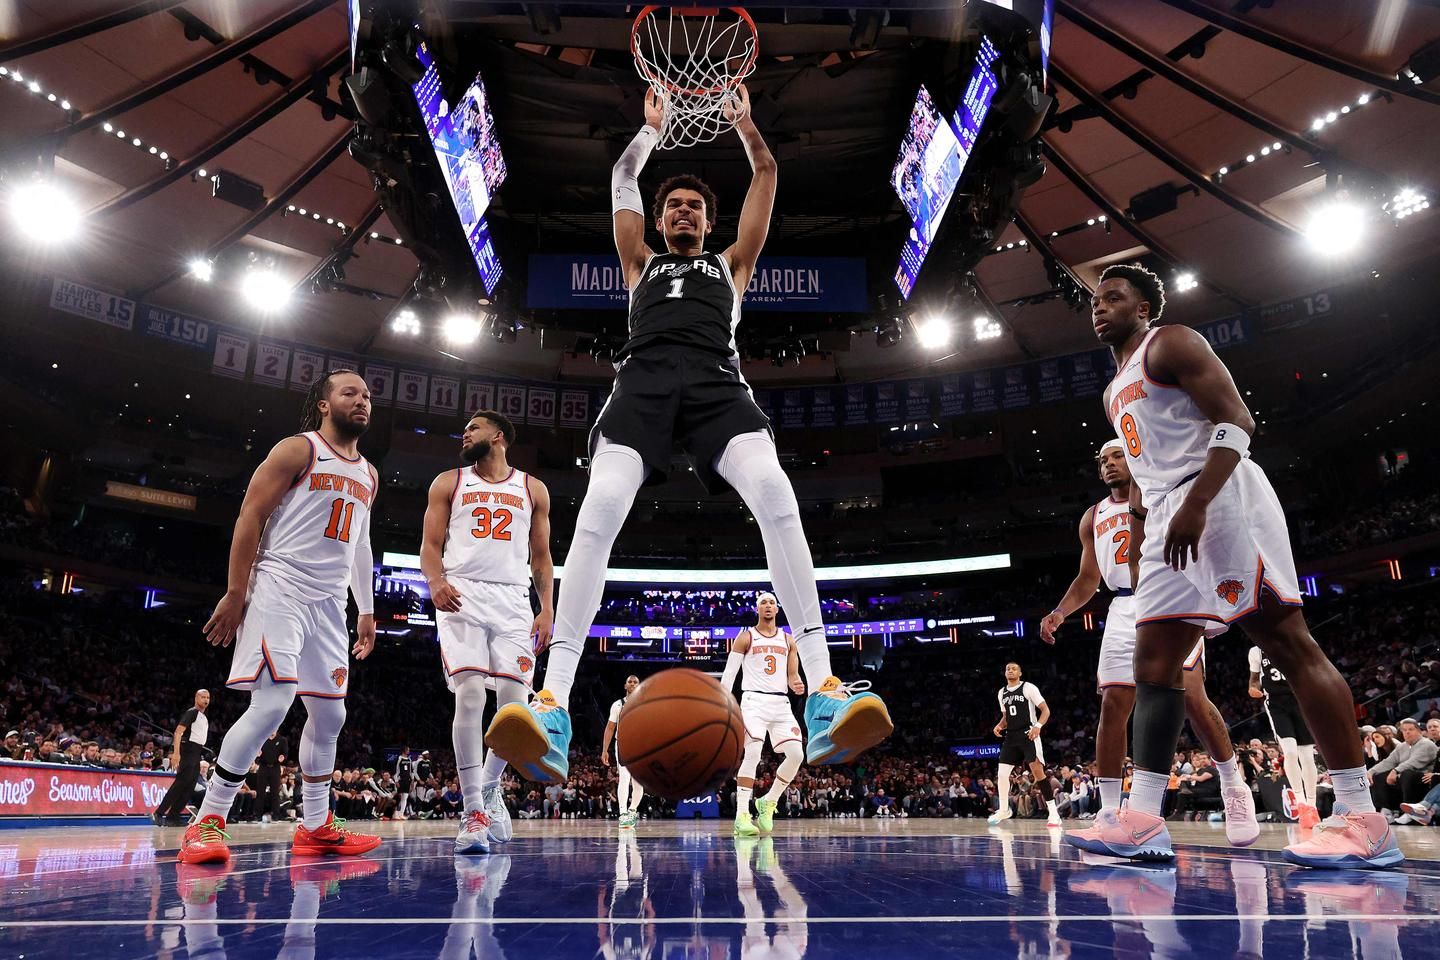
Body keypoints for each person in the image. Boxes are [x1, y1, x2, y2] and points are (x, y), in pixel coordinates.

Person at [485, 86, 891, 780]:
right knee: (602, 508)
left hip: (715, 382)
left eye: (694, 207)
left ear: (708, 223)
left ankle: (823, 691)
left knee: (774, 491)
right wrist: (649, 133)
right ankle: (552, 704)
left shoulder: (732, 266)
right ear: (661, 216)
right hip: (641, 382)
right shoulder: (638, 262)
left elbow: (766, 175)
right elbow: (620, 180)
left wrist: (744, 124)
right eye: (673, 204)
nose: (682, 211)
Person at [1082, 263, 1400, 868]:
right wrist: (1152, 524)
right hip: (1167, 517)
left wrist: (1198, 501)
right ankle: (1144, 818)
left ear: (1144, 307)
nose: (1100, 308)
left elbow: (1237, 423)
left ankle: (1364, 818)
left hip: (1219, 495)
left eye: (1114, 298)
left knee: (1284, 640)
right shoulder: (1110, 390)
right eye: (1095, 301)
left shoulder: (1170, 342)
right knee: (1153, 666)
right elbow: (1148, 471)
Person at [182, 370, 383, 864]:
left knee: (331, 714)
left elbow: (361, 543)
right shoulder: (299, 450)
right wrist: (235, 592)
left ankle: (315, 826)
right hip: (281, 587)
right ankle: (207, 820)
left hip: (331, 603)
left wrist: (368, 607)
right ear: (323, 403)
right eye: (350, 393)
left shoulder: (369, 473)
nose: (362, 402)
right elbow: (250, 515)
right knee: (273, 704)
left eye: (367, 396)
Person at [1042, 442, 1257, 850]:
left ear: (1136, 455)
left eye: (1116, 456)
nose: (1108, 464)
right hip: (1122, 605)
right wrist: (1060, 611)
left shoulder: (1161, 492)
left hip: (1167, 593)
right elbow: (1088, 578)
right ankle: (1108, 813)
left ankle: (1233, 785)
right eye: (1102, 459)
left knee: (1192, 696)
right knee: (1113, 703)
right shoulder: (1093, 517)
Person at [421, 410, 554, 854]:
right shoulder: (448, 481)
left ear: (498, 436)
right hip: (462, 594)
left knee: (514, 713)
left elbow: (541, 557)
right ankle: (472, 810)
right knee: (472, 695)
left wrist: (547, 608)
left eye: (474, 428)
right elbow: (429, 544)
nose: (466, 433)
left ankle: (491, 787)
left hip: (514, 600)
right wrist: (435, 581)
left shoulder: (532, 487)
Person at [720, 592, 806, 836]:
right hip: (753, 701)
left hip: (780, 703)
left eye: (771, 602)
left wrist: (796, 683)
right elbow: (729, 673)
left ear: (777, 609)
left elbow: (792, 675)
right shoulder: (746, 637)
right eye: (763, 603)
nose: (768, 606)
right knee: (754, 751)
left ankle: (768, 802)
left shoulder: (789, 640)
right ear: (757, 609)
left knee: (796, 755)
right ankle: (742, 817)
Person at [1248, 645, 1319, 827]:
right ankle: (1301, 802)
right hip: (1277, 704)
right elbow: (1254, 681)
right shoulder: (1256, 651)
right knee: (1291, 753)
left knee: (1307, 755)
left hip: (1300, 701)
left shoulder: (1293, 643)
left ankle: (1312, 805)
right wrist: (1253, 689)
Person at [988, 663, 1060, 827]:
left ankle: (1054, 813)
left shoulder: (1028, 688)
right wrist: (999, 725)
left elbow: (1045, 710)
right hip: (1011, 736)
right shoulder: (1002, 693)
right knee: (1002, 773)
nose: (1010, 670)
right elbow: (1006, 717)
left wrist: (1038, 727)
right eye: (1007, 669)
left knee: (1037, 771)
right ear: (1005, 673)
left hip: (1028, 733)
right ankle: (1004, 809)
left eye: (1014, 669)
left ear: (1020, 672)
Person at [153, 689, 211, 826]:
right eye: (203, 697)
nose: (206, 700)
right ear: (196, 697)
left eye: (208, 697)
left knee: (189, 786)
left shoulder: (203, 717)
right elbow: (178, 732)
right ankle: (159, 812)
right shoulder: (192, 712)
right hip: (189, 750)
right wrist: (176, 753)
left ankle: (173, 816)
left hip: (197, 752)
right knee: (180, 784)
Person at [601, 675, 646, 828]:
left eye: (635, 682)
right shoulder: (618, 705)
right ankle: (623, 813)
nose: (632, 684)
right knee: (624, 779)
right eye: (630, 682)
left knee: (639, 783)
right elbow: (610, 728)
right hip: (623, 744)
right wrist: (604, 750)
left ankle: (632, 811)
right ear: (625, 685)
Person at [256, 729, 288, 824]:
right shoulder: (262, 739)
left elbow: (285, 753)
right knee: (260, 792)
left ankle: (276, 815)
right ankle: (257, 814)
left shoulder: (282, 740)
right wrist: (258, 755)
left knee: (275, 793)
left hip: (275, 767)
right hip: (263, 767)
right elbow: (257, 751)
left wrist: (283, 757)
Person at [394, 745, 414, 820]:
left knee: (405, 797)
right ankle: (395, 813)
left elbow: (411, 771)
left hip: (407, 781)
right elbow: (395, 770)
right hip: (400, 780)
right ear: (404, 751)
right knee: (398, 797)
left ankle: (401, 814)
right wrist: (396, 781)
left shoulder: (409, 759)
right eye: (407, 750)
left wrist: (412, 780)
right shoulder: (399, 758)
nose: (409, 751)